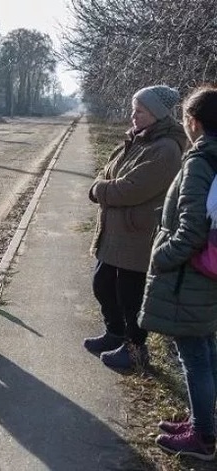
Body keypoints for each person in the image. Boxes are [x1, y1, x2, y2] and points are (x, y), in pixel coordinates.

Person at [139, 86, 217, 461]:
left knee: (195, 356)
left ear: (194, 122)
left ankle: (203, 437)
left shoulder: (201, 160)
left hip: (191, 279)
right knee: (205, 349)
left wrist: (160, 257)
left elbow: (191, 231)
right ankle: (203, 422)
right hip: (207, 276)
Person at [84, 85, 187, 369]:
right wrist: (104, 184)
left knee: (131, 296)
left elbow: (130, 189)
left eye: (139, 111)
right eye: (133, 110)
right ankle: (114, 333)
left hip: (138, 236)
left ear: (157, 114)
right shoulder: (138, 139)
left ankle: (134, 349)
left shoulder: (165, 149)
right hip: (116, 232)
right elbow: (108, 172)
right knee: (102, 284)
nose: (133, 116)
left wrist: (99, 190)